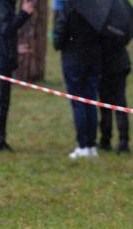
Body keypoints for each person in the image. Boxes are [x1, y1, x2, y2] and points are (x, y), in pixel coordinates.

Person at [0, 0, 34, 152]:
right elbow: (6, 28)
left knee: (1, 103)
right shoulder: (2, 4)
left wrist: (14, 48)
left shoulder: (5, 4)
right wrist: (24, 14)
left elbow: (2, 32)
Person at [53, 0, 103, 159]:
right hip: (93, 57)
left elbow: (60, 32)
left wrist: (58, 42)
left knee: (78, 102)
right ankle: (91, 145)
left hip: (73, 58)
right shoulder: (98, 7)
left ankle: (82, 145)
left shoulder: (69, 6)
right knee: (91, 100)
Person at [98, 35, 130, 154]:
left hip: (106, 64)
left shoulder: (100, 19)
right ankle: (123, 140)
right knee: (120, 103)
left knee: (106, 105)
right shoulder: (124, 17)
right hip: (121, 62)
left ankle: (106, 140)